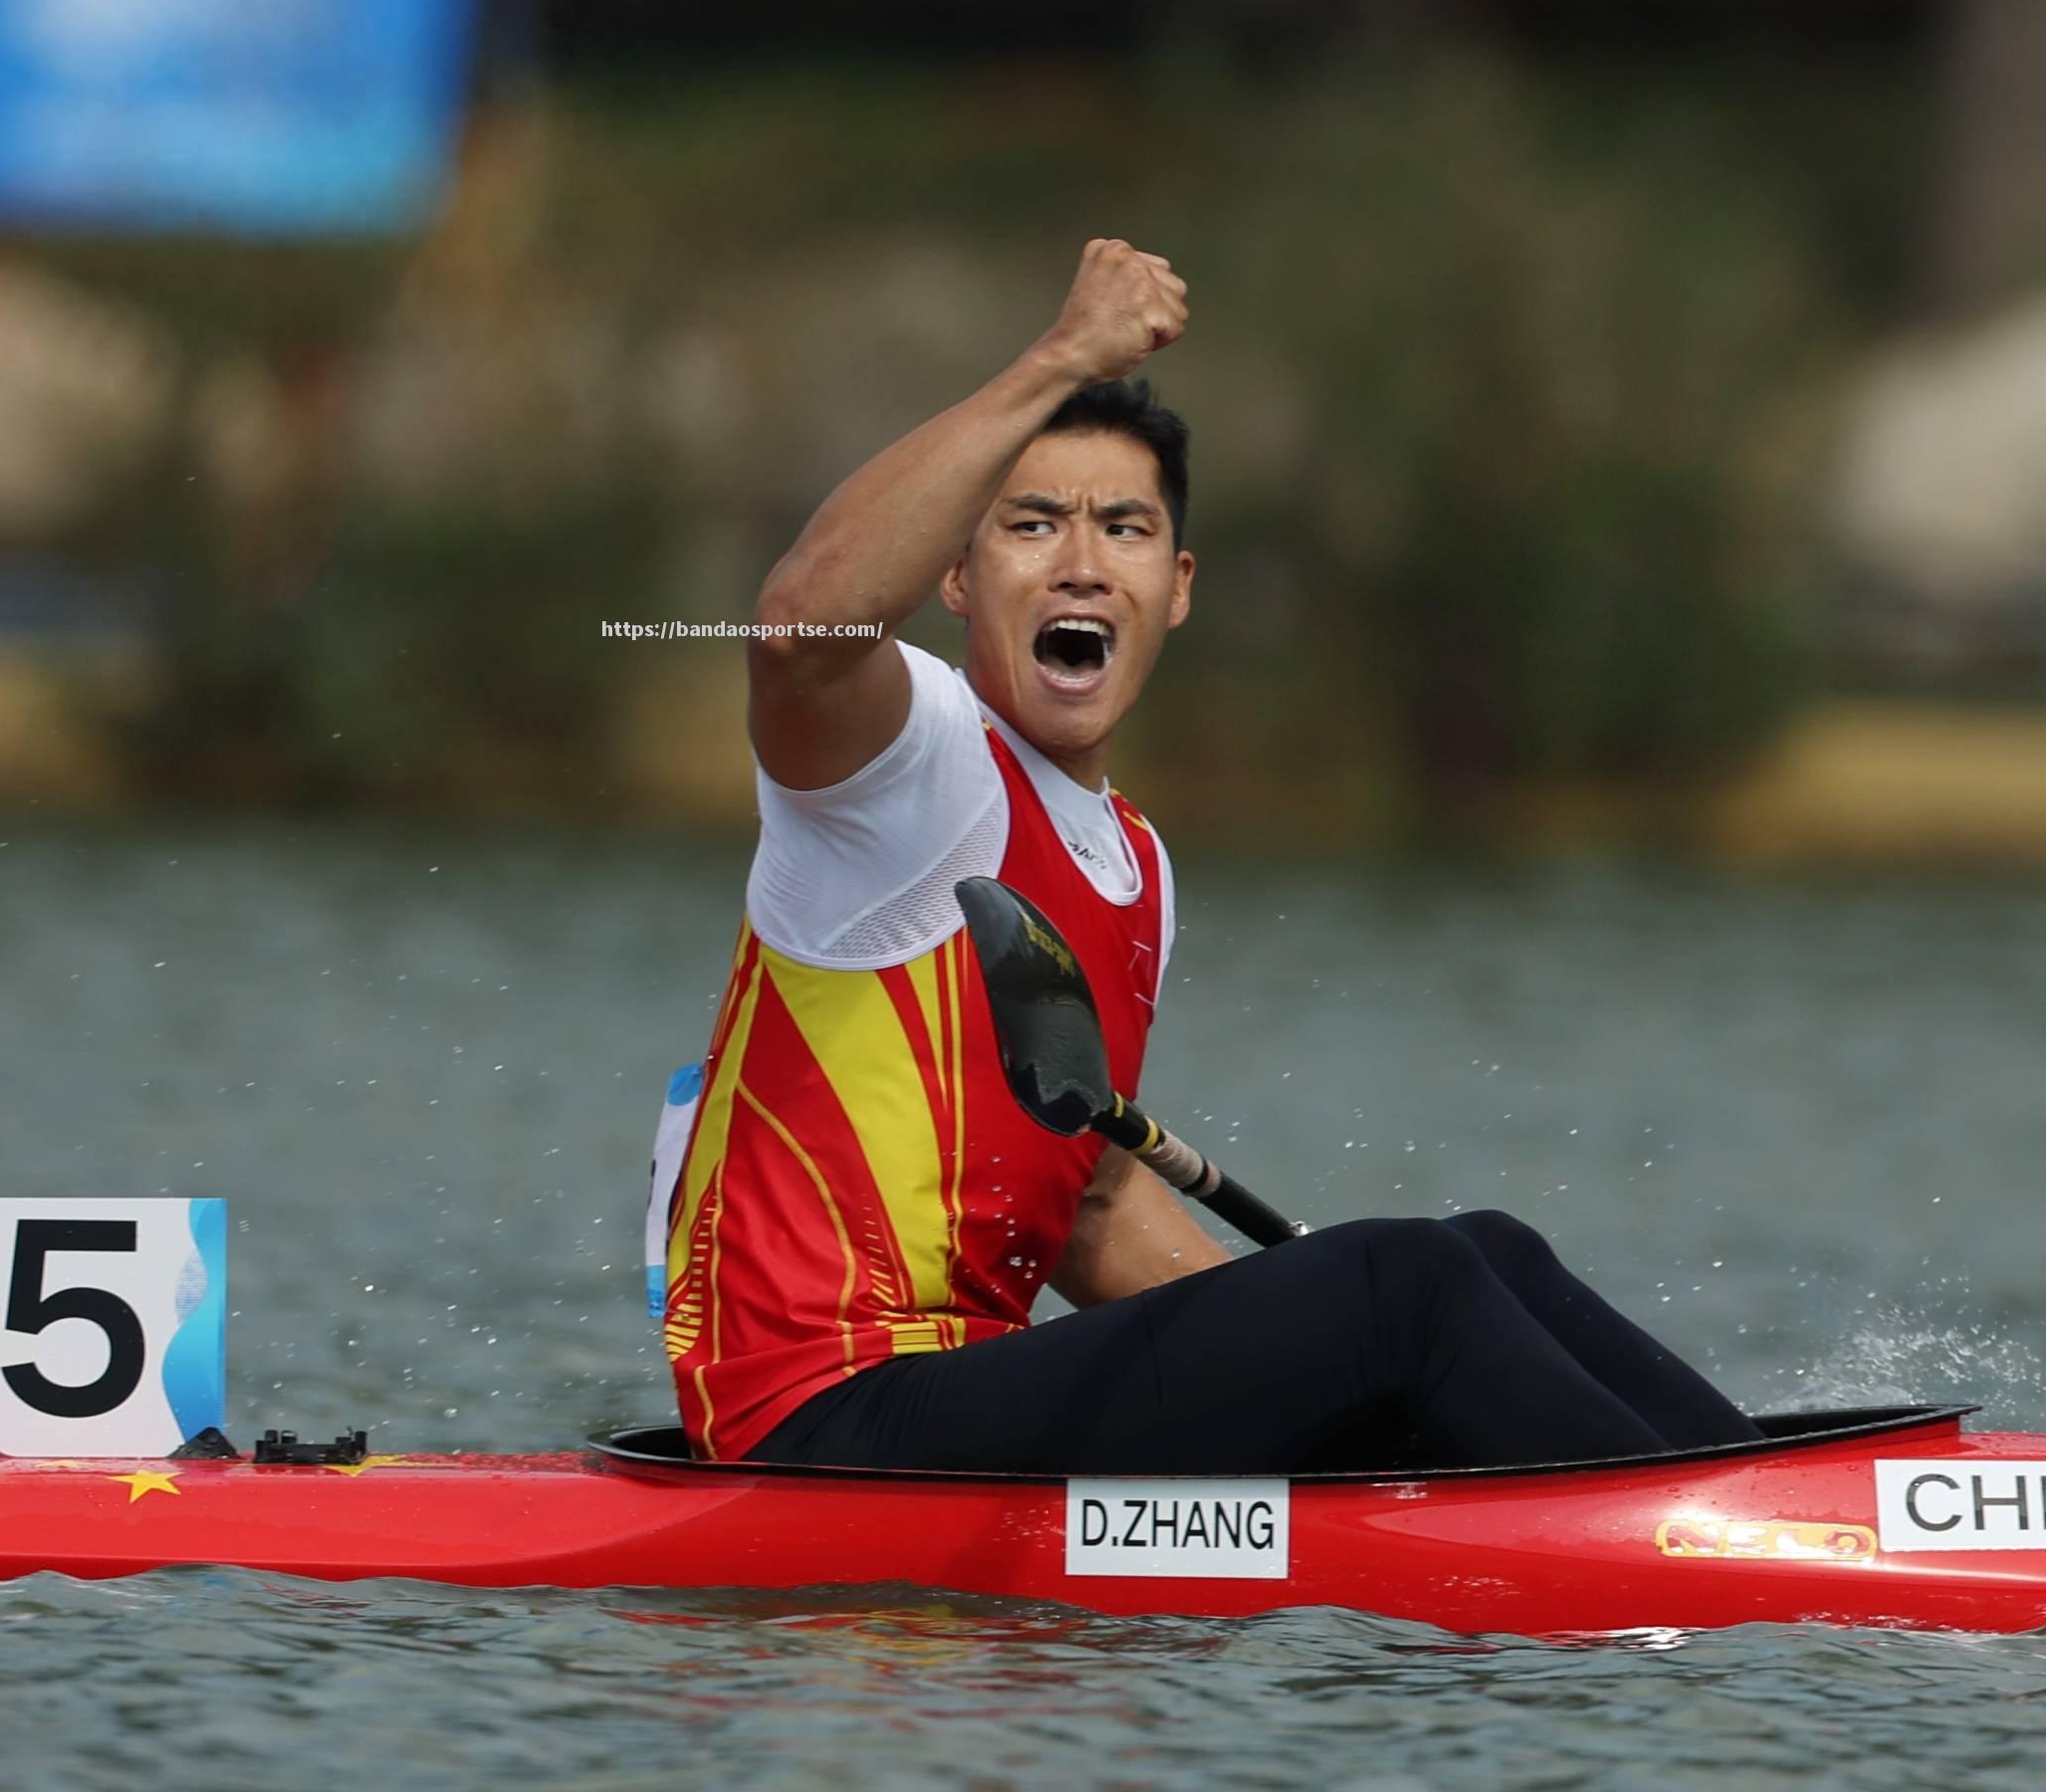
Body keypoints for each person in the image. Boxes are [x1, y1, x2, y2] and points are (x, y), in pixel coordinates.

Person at [646, 238, 1760, 1474]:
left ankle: (1754, 1484)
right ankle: (1720, 1552)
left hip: (956, 1403)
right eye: (1031, 525)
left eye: (1124, 528)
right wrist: (1063, 355)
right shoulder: (909, 764)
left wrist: (1310, 1361)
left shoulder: (1136, 864)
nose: (1080, 560)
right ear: (956, 574)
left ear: (1175, 588)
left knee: (1486, 1253)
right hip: (813, 1418)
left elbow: (1091, 1206)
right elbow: (801, 626)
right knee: (1410, 1281)